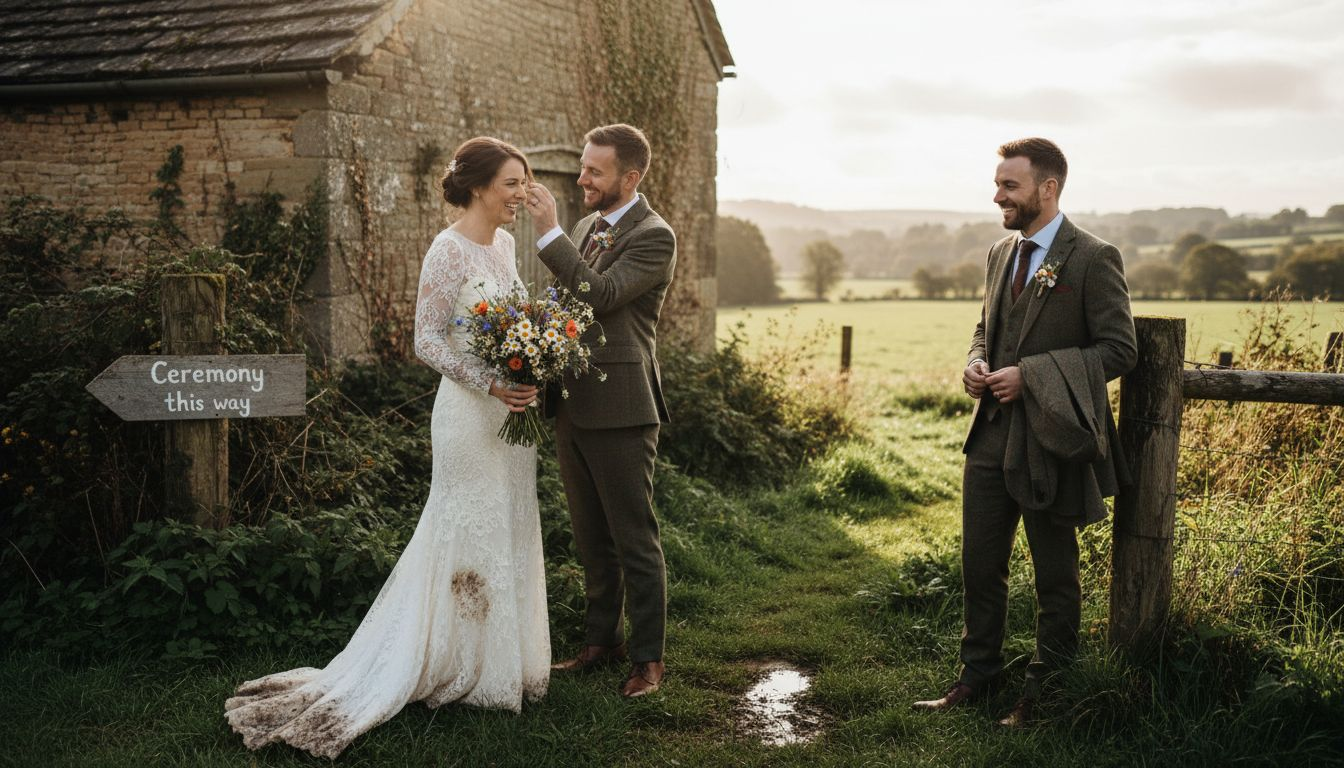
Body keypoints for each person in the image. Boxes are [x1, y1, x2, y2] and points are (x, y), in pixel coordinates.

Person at [225, 137, 550, 758]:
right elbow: (426, 339)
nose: (521, 193)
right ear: (480, 187)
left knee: (507, 528)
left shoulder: (507, 245)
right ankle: (436, 662)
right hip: (468, 414)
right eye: (512, 182)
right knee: (463, 531)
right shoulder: (446, 249)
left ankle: (497, 665)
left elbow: (514, 321)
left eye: (525, 181)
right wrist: (490, 381)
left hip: (511, 415)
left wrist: (533, 357)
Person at [913, 138, 1136, 727]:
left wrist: (1031, 377)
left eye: (1009, 186)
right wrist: (975, 362)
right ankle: (977, 677)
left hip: (1052, 440)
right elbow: (985, 326)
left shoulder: (1093, 257)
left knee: (1054, 573)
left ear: (1048, 188)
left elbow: (1119, 349)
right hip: (989, 437)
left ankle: (1046, 691)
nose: (997, 196)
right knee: (980, 565)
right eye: (998, 184)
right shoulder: (998, 253)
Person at [524, 123, 675, 698]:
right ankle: (600, 641)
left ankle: (648, 660)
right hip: (571, 400)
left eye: (594, 171)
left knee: (633, 537)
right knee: (591, 537)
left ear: (629, 178)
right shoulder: (587, 225)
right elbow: (566, 304)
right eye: (583, 166)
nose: (582, 177)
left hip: (621, 405)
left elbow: (601, 296)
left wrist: (546, 235)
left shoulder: (655, 236)